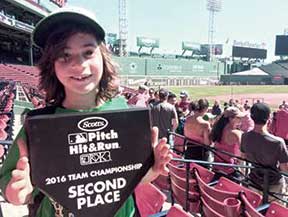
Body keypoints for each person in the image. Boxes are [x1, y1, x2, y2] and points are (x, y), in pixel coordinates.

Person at [0, 7, 171, 217]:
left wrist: (150, 171)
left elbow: (126, 180)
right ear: (51, 65)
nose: (78, 64)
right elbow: (10, 181)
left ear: (103, 56)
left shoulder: (125, 113)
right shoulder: (37, 125)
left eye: (88, 52)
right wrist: (17, 192)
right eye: (64, 55)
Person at [241, 103, 288, 203]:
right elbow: (285, 169)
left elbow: (243, 158)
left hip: (254, 183)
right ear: (268, 120)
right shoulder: (278, 142)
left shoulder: (244, 137)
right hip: (274, 185)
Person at [211, 107, 244, 175]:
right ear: (230, 118)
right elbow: (243, 153)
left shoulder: (219, 129)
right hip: (230, 171)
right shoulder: (235, 133)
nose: (241, 120)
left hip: (217, 168)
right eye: (238, 117)